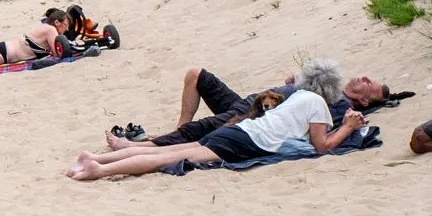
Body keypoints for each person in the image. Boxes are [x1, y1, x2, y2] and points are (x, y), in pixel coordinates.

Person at [68, 60, 368, 180]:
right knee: (163, 159)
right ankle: (99, 170)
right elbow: (322, 145)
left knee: (167, 152)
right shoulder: (317, 105)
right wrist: (347, 127)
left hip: (242, 129)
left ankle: (95, 157)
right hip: (246, 140)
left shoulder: (296, 97)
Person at [116, 66, 397, 149]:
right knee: (195, 75)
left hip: (255, 115)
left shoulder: (339, 104)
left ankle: (148, 146)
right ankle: (178, 132)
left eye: (370, 84)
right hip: (249, 100)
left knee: (204, 128)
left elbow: (316, 128)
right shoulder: (326, 86)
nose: (365, 77)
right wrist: (296, 84)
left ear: (364, 101)